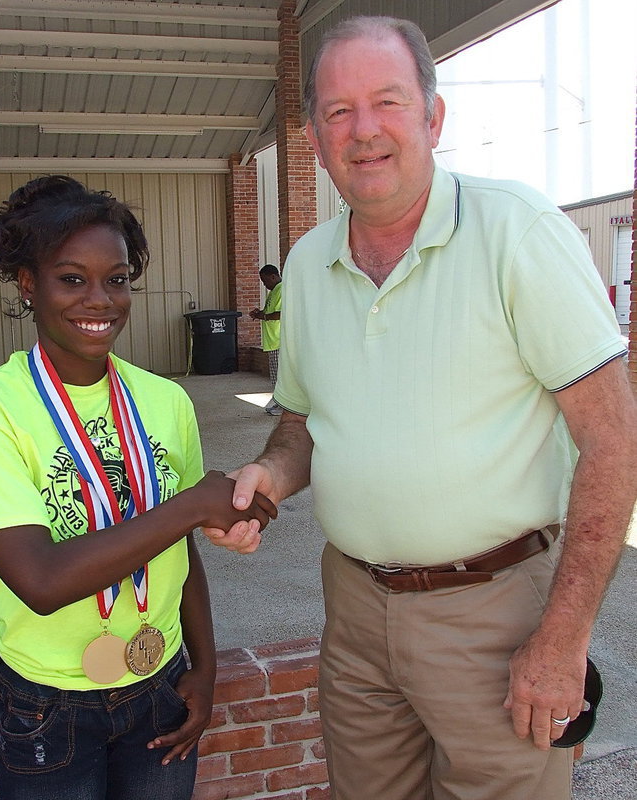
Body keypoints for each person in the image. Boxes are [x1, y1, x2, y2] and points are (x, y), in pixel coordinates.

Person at [201, 16, 637, 800]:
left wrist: (563, 640)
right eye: (338, 111)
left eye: (387, 102)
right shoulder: (307, 264)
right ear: (312, 136)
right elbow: (303, 421)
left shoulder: (516, 231)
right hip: (355, 609)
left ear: (433, 118)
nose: (363, 131)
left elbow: (612, 443)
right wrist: (266, 474)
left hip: (496, 616)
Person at [0, 175, 276, 800]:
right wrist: (192, 503)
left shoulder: (164, 400)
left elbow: (181, 547)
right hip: (47, 704)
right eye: (72, 279)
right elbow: (40, 583)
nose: (100, 300)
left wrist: (204, 666)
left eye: (116, 279)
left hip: (160, 683)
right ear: (27, 284)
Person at [249, 264, 282, 415]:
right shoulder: (274, 291)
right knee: (275, 376)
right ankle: (278, 403)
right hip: (272, 341)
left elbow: (281, 313)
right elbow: (269, 312)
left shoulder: (281, 289)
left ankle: (283, 406)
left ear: (273, 276)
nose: (264, 284)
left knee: (280, 377)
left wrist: (264, 316)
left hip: (278, 341)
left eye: (265, 280)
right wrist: (259, 314)